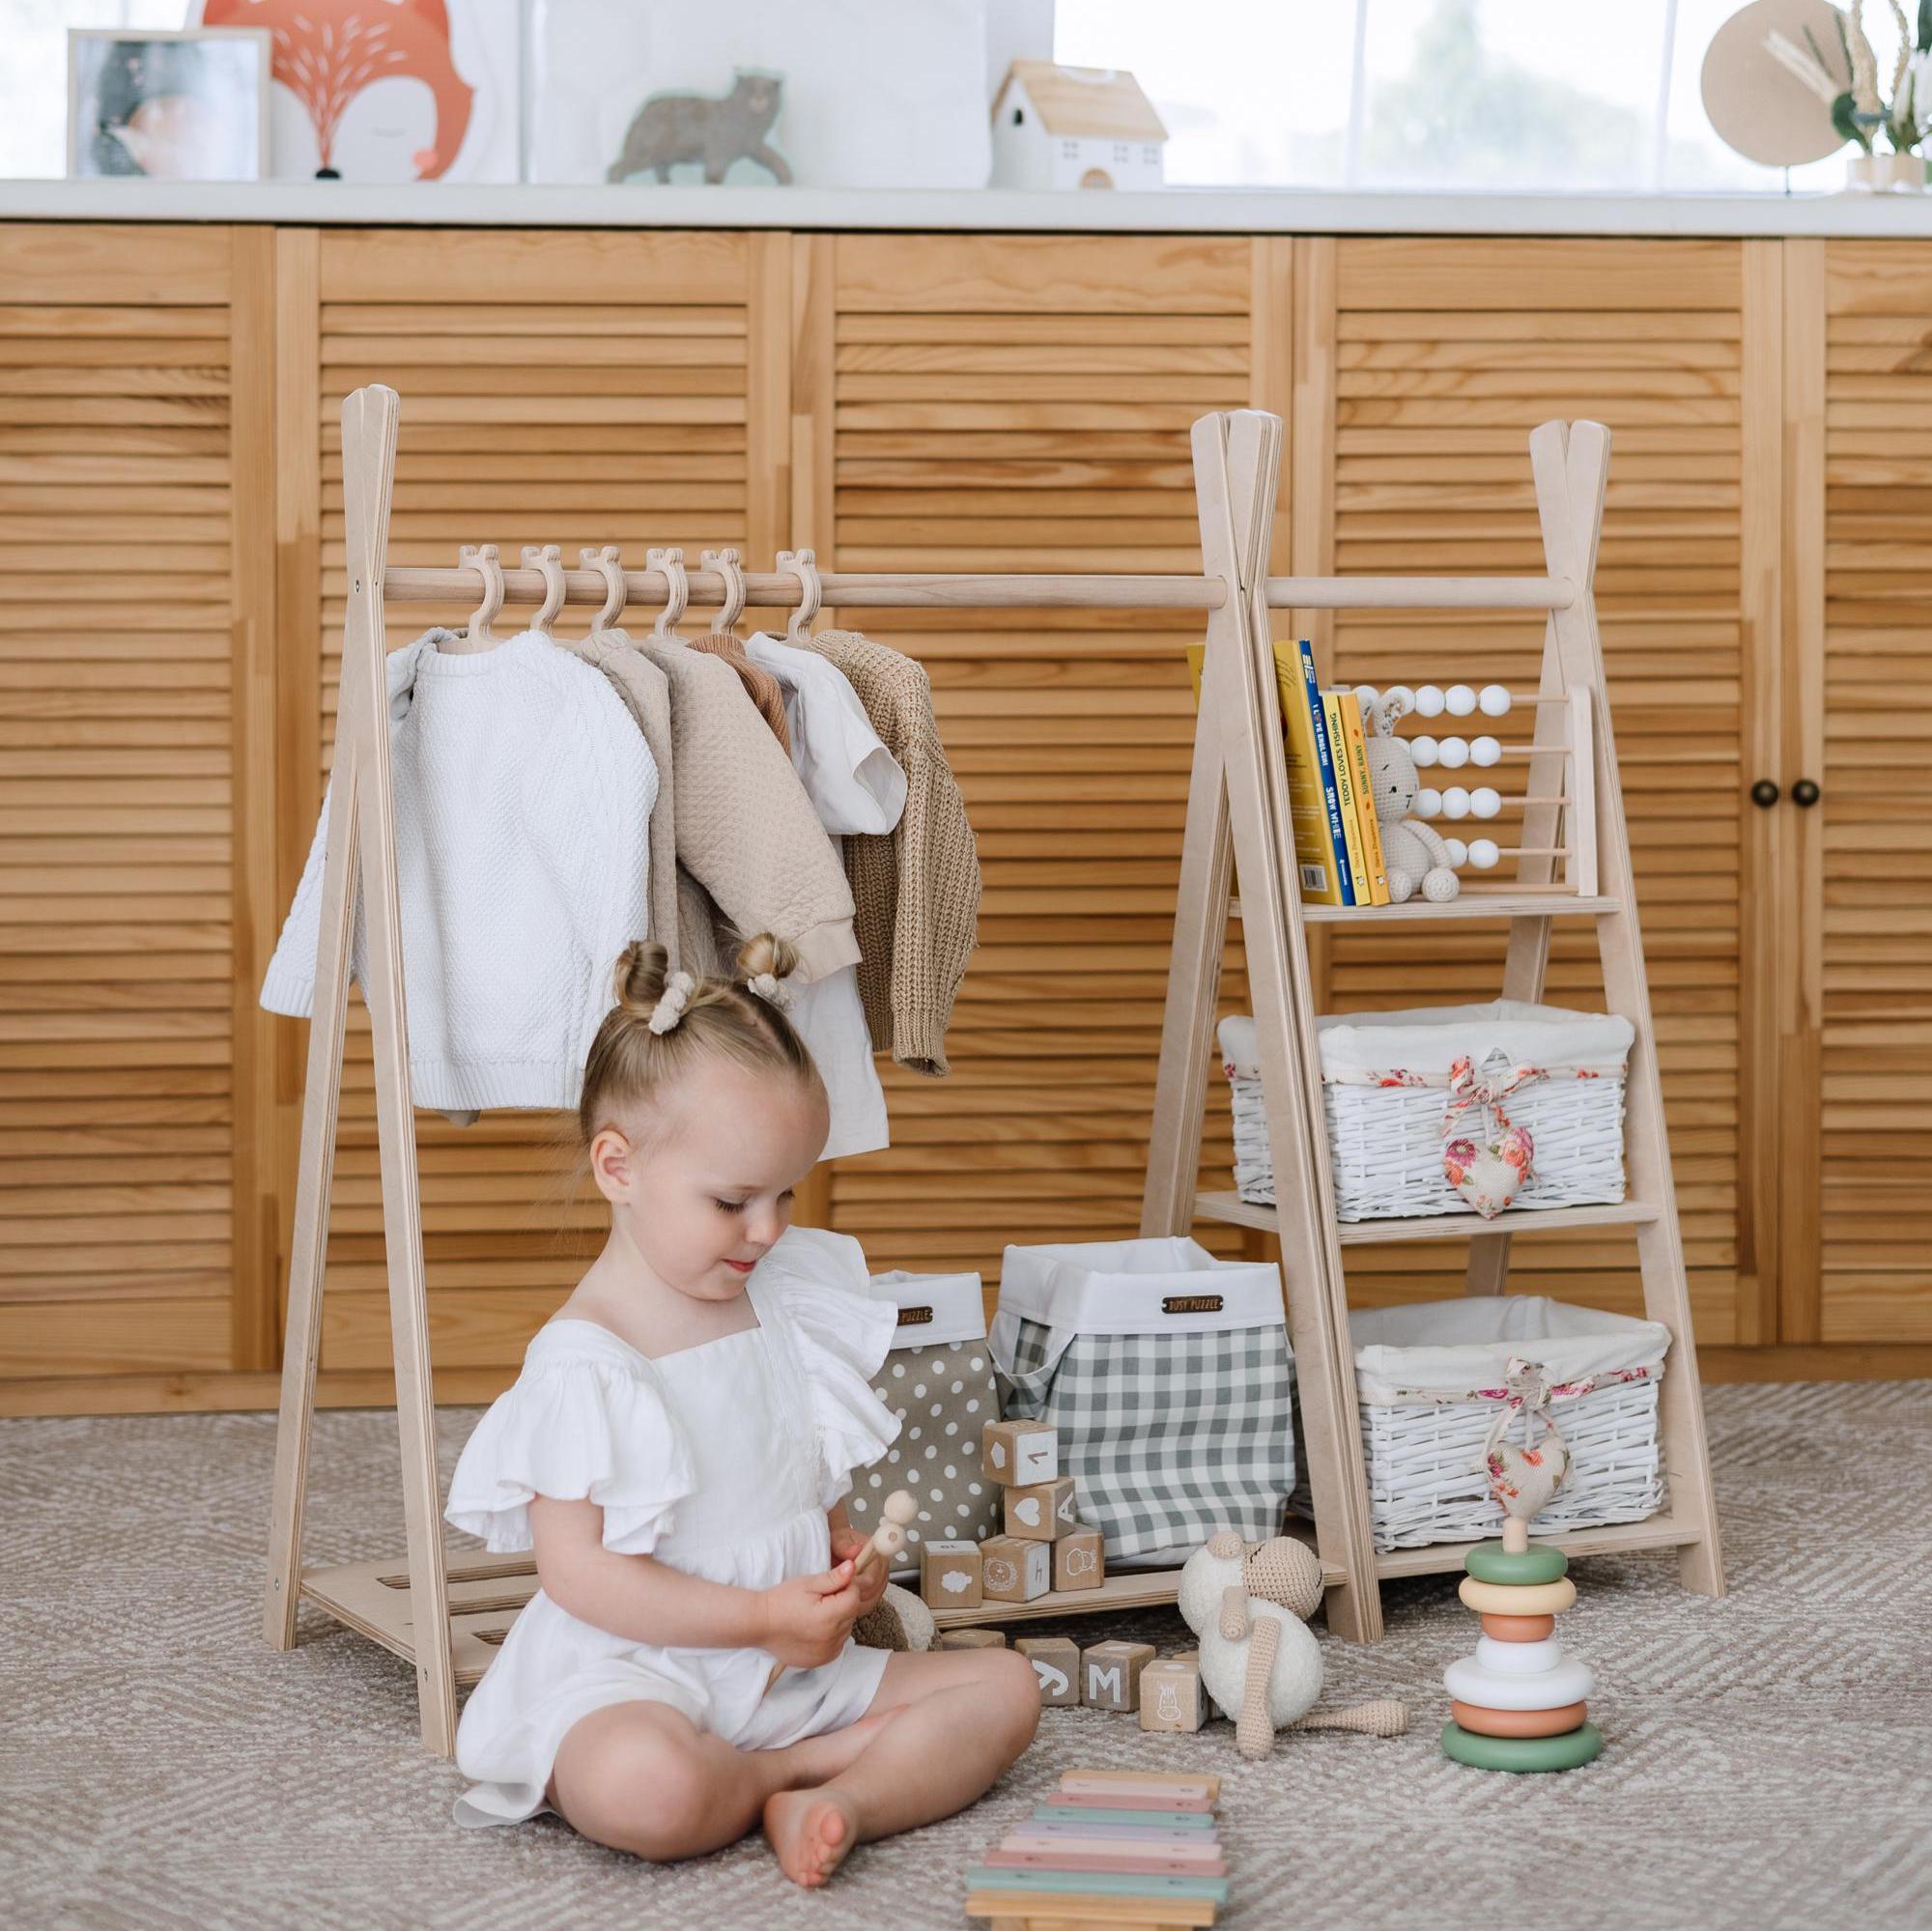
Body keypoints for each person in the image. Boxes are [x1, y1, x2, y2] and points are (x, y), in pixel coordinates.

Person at [442, 934, 1039, 1885]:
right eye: (731, 1200)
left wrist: (838, 1559)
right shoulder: (584, 1359)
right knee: (650, 1789)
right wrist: (760, 1612)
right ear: (617, 1166)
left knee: (1007, 1690)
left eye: (783, 1192)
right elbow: (580, 1576)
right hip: (638, 1677)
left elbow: (791, 1469)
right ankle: (792, 1770)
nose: (766, 1228)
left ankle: (837, 1797)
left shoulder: (781, 1298)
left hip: (787, 1673)